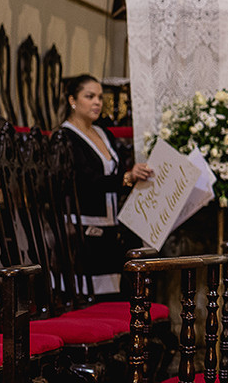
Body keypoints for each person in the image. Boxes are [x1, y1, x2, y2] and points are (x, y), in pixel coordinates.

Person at [57, 74, 153, 295]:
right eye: (89, 96)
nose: (97, 102)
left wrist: (133, 174)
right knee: (91, 298)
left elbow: (117, 171)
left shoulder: (103, 132)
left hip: (112, 227)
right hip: (82, 228)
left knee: (117, 295)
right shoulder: (65, 137)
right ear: (73, 100)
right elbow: (83, 180)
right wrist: (126, 178)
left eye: (100, 97)